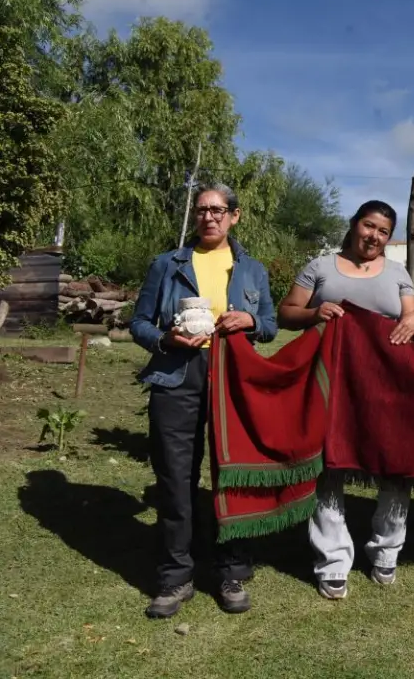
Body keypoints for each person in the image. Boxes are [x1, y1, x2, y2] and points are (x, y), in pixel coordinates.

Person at [130, 183, 278, 619]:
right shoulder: (166, 264)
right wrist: (163, 337)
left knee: (233, 474)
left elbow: (269, 324)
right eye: (201, 210)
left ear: (235, 215)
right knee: (175, 478)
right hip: (177, 373)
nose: (208, 217)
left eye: (217, 210)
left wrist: (250, 318)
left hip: (231, 376)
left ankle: (231, 569)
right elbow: (138, 322)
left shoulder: (252, 269)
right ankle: (176, 575)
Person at [277, 200, 414, 601]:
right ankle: (333, 561)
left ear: (388, 238)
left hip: (385, 386)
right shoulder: (320, 266)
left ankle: (386, 552)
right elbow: (286, 312)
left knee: (393, 469)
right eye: (368, 226)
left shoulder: (397, 273)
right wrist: (315, 313)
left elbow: (412, 316)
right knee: (331, 467)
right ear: (355, 224)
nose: (374, 236)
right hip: (330, 384)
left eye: (383, 232)